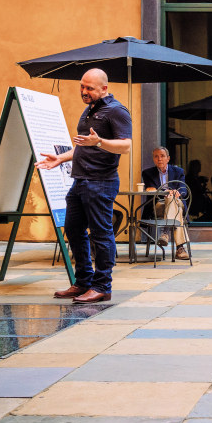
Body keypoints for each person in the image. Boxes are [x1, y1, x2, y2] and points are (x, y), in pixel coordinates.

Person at [37, 68, 131, 304]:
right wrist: (61, 158)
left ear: (104, 89)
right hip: (79, 181)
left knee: (101, 234)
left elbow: (126, 146)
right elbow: (82, 146)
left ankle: (102, 287)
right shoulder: (90, 110)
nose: (84, 91)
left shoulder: (116, 111)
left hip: (101, 182)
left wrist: (99, 141)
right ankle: (83, 282)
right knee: (73, 229)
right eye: (82, 86)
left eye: (89, 88)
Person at [141, 146, 189, 261]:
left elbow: (184, 189)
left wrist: (176, 192)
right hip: (158, 206)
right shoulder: (147, 173)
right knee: (173, 202)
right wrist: (166, 192)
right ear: (153, 159)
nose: (159, 159)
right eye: (156, 156)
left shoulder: (178, 172)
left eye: (162, 156)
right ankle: (180, 248)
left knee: (173, 200)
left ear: (168, 158)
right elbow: (151, 189)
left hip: (177, 203)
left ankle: (165, 232)